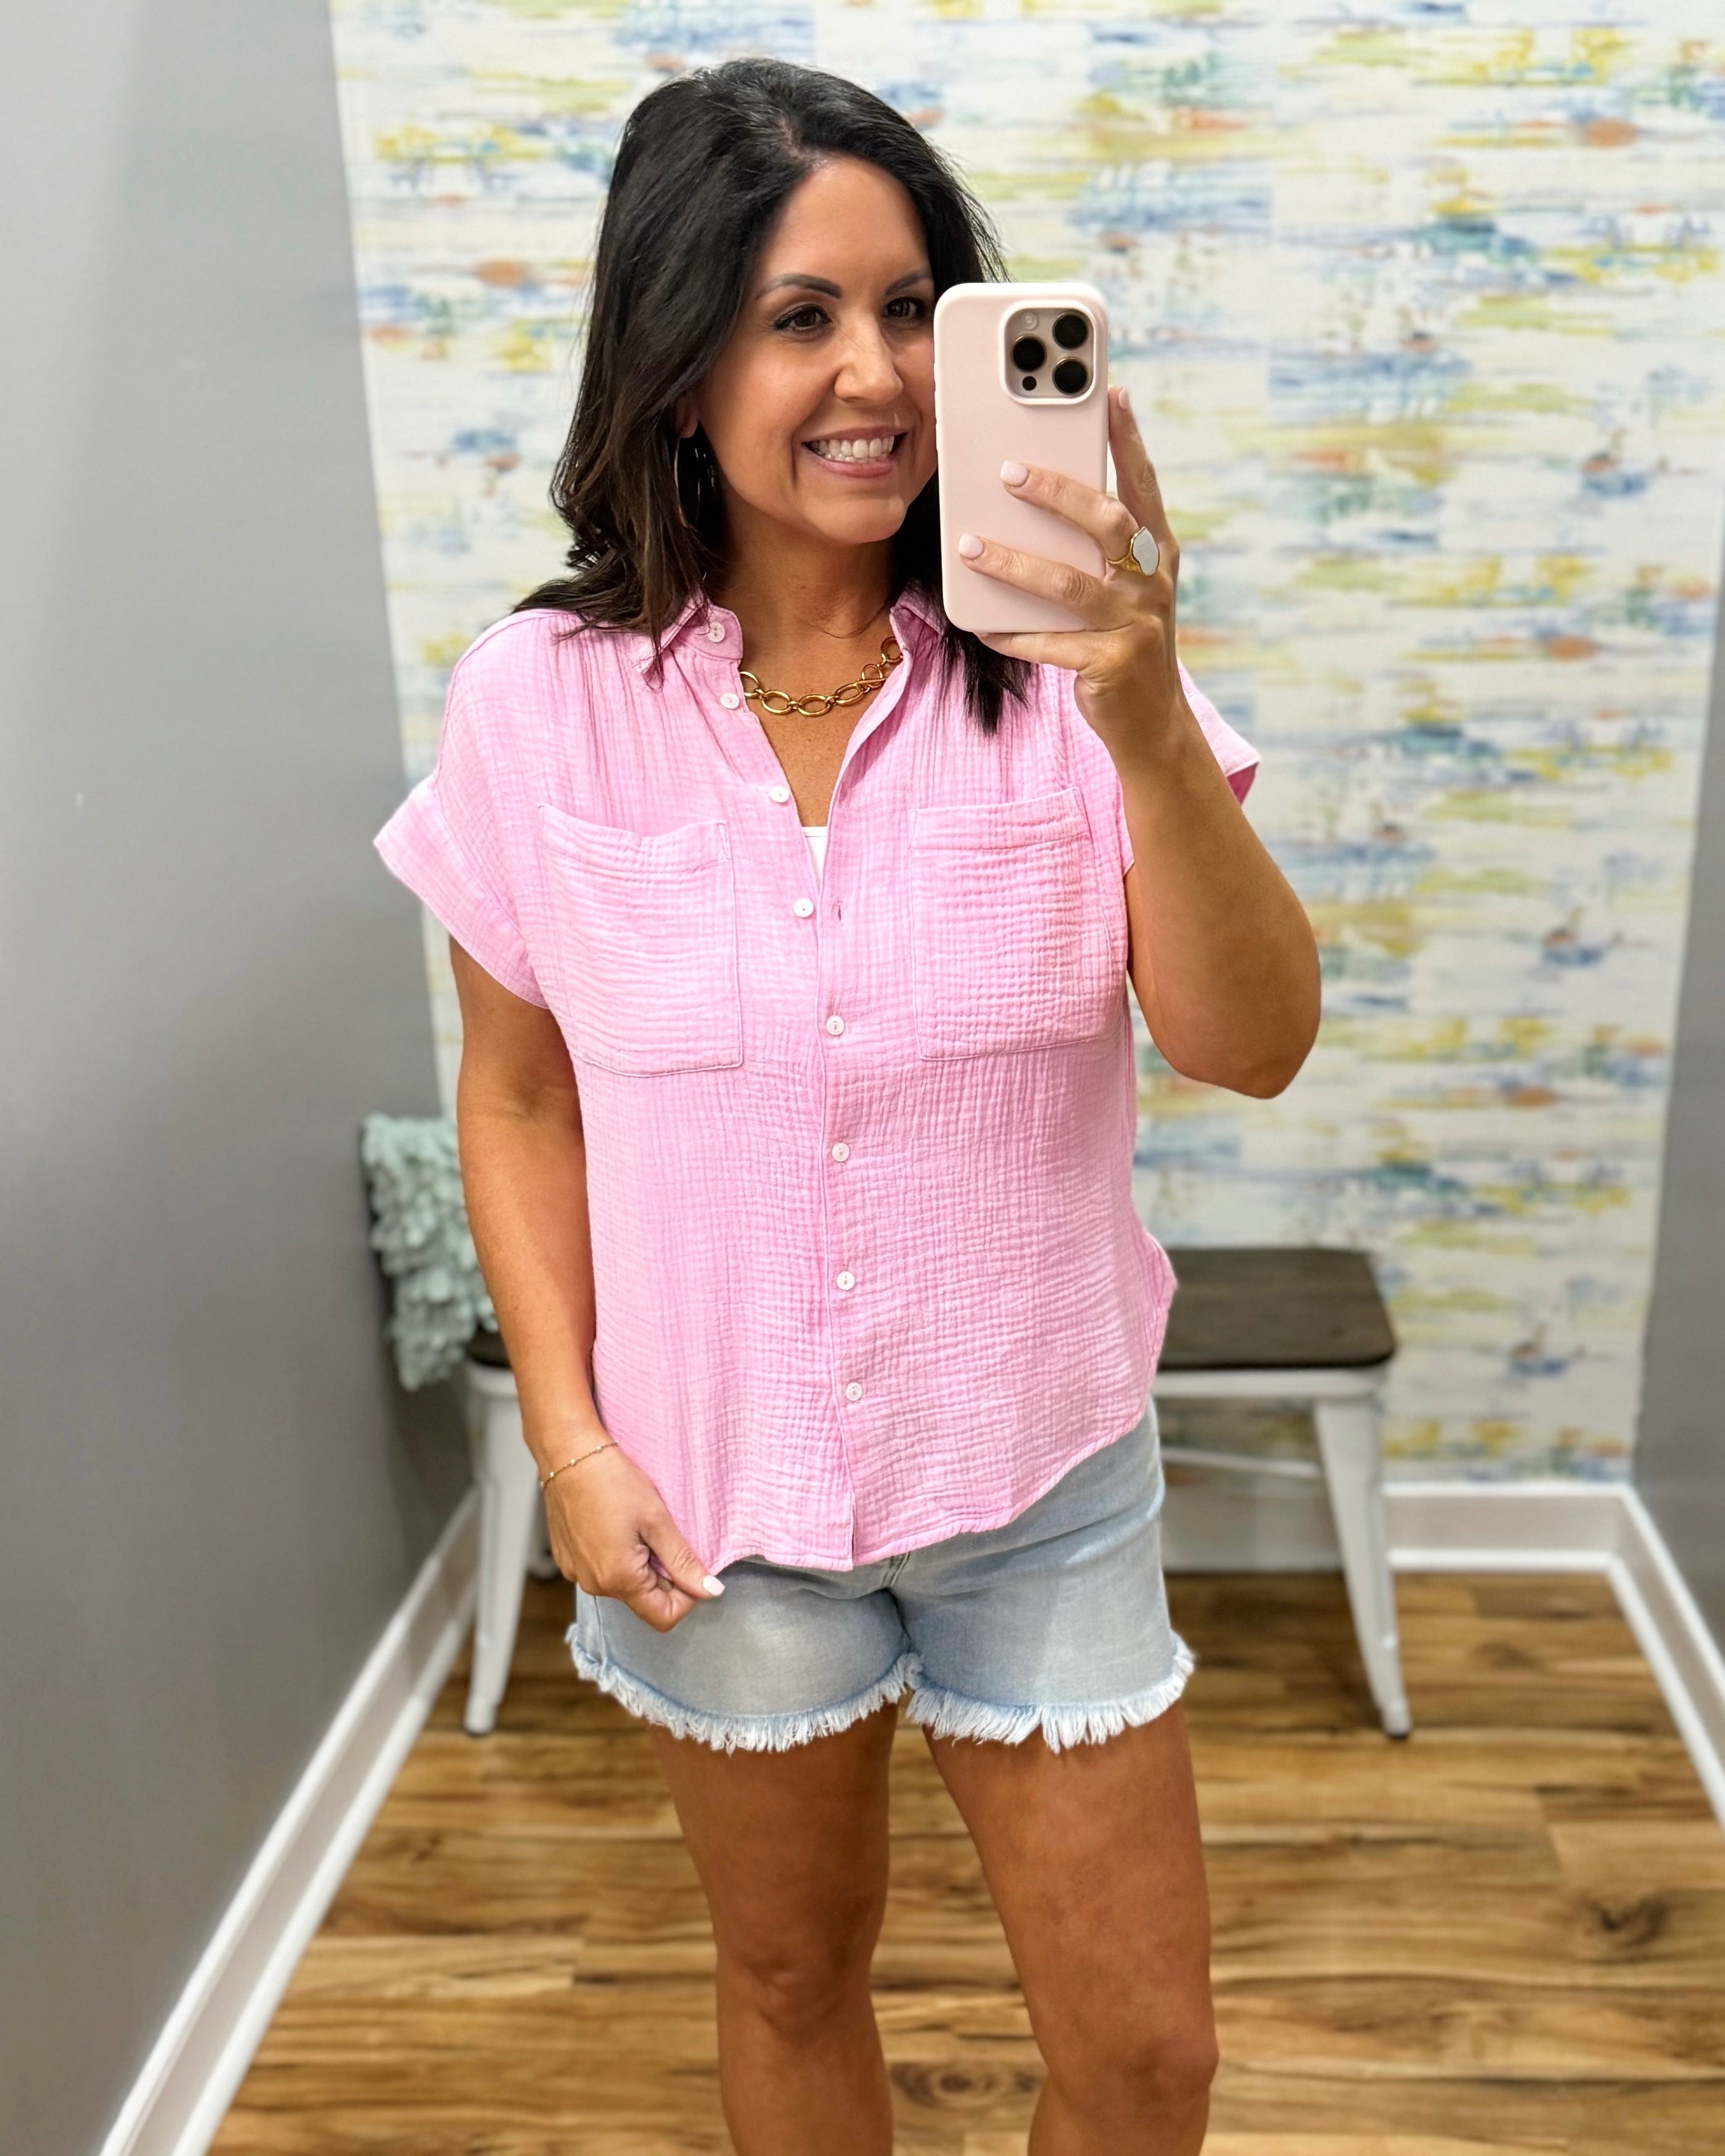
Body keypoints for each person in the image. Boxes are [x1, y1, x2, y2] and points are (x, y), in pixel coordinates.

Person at [375, 55, 1319, 2156]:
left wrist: (1149, 718)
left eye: (916, 309)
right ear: (677, 351)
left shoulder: (1075, 684)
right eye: (802, 315)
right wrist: (566, 1434)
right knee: (793, 1972)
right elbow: (520, 1099)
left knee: (1148, 2055)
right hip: (716, 1504)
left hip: (1036, 1470)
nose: (877, 372)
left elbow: (1250, 1040)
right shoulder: (540, 708)